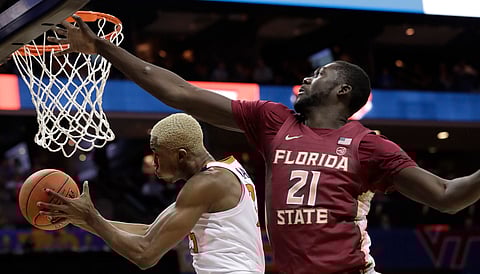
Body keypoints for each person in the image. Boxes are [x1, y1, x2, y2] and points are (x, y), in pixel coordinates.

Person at [47, 15, 480, 274]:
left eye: (321, 74)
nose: (308, 77)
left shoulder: (369, 147)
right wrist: (104, 49)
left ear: (343, 91)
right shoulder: (273, 121)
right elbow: (180, 92)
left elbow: (447, 196)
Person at [38, 113, 265, 273]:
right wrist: (82, 220)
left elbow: (145, 255)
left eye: (157, 155)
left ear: (181, 155)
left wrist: (92, 218)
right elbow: (149, 233)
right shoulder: (223, 173)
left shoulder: (206, 184)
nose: (153, 163)